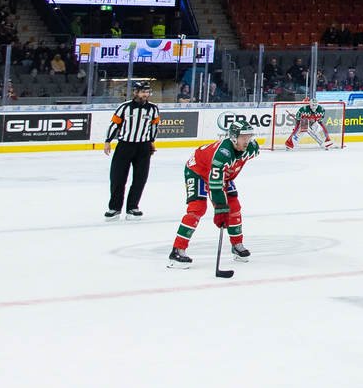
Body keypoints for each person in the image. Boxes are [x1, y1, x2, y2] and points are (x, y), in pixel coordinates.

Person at [168, 121, 259, 267]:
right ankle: (177, 250)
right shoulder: (222, 155)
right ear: (234, 137)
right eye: (243, 137)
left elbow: (223, 175)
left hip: (221, 175)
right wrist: (221, 210)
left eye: (249, 136)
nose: (247, 141)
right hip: (197, 171)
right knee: (197, 208)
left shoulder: (251, 148)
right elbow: (215, 186)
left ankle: (237, 245)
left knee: (235, 207)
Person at [103, 81, 159, 219]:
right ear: (135, 92)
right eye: (143, 92)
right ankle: (115, 208)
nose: (145, 94)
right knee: (118, 178)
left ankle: (132, 207)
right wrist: (108, 141)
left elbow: (154, 127)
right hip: (125, 146)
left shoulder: (153, 109)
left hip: (143, 147)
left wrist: (152, 142)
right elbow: (114, 124)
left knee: (140, 179)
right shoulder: (124, 107)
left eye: (147, 92)